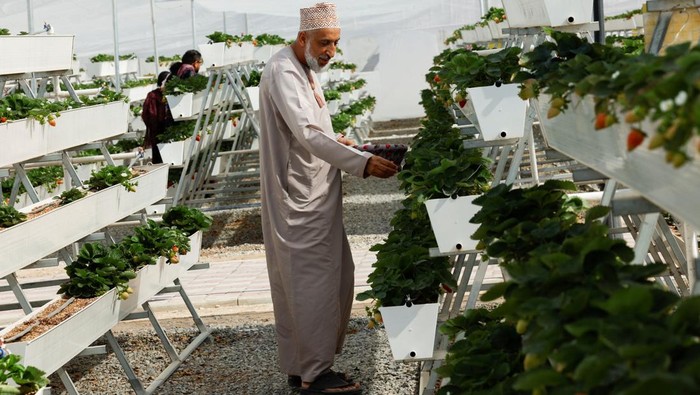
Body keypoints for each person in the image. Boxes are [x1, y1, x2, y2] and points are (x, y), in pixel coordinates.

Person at [258, 3, 398, 395]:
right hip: (298, 197)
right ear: (303, 38)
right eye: (324, 42)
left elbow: (313, 129)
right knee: (312, 285)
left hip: (316, 194)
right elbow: (305, 133)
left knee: (326, 280)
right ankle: (314, 376)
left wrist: (341, 143)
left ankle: (300, 366)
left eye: (335, 43)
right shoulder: (284, 69)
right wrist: (362, 163)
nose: (330, 51)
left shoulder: (304, 69)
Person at [142, 71, 174, 164]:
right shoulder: (153, 95)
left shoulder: (172, 94)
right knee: (159, 156)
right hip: (158, 131)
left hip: (166, 130)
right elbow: (148, 115)